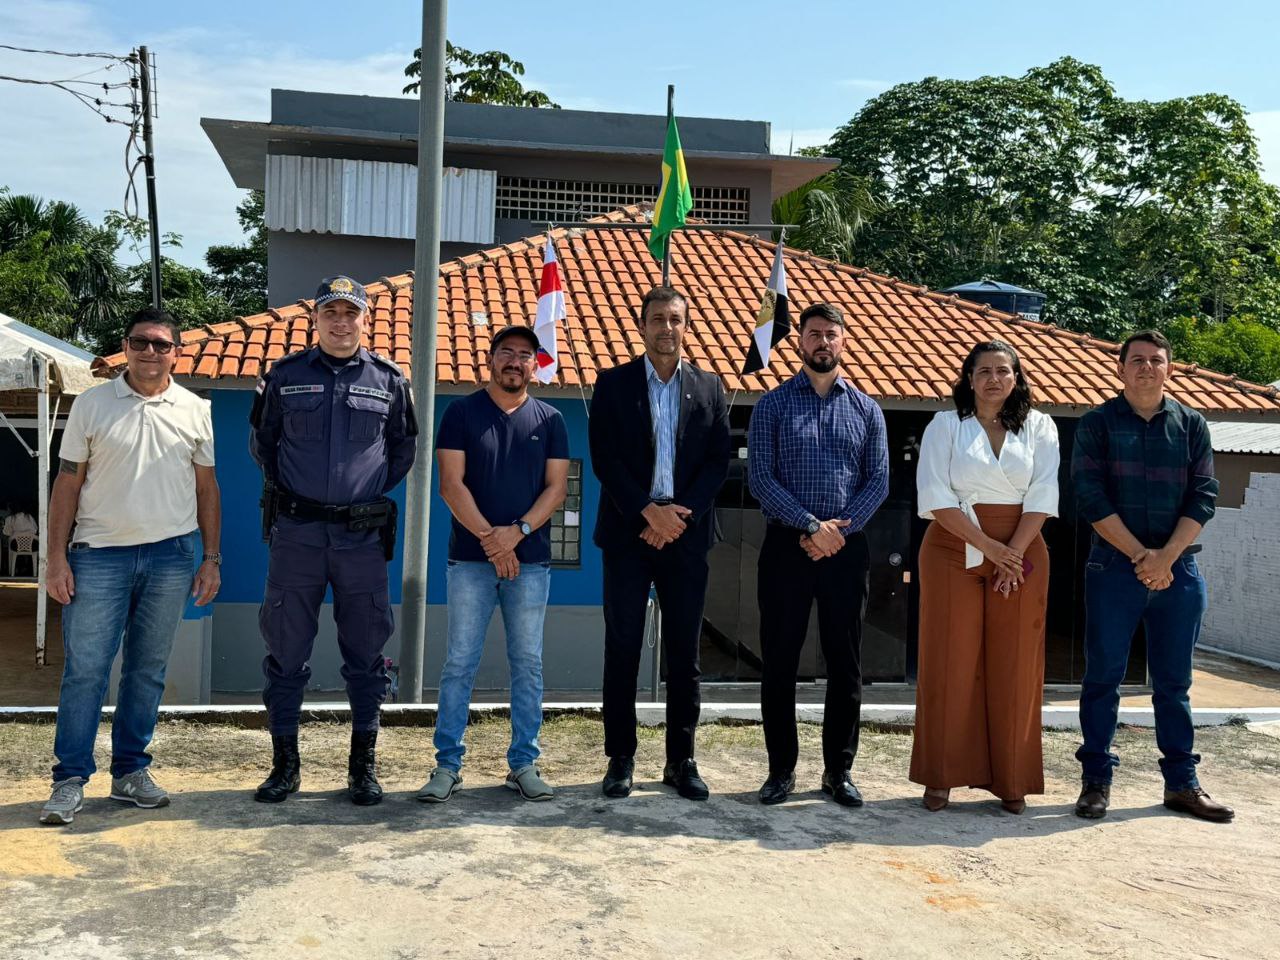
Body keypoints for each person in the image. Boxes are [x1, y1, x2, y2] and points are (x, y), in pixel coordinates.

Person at [39, 308, 221, 825]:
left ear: (176, 353)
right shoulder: (92, 405)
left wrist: (211, 559)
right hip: (98, 556)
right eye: (140, 342)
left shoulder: (195, 409)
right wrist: (56, 558)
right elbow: (67, 482)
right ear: (125, 347)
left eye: (161, 344)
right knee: (86, 671)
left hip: (170, 557)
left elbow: (206, 489)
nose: (150, 352)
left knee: (147, 670)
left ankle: (130, 772)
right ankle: (70, 778)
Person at [249, 276, 417, 806]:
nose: (341, 322)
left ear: (366, 319)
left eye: (350, 313)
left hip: (360, 538)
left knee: (367, 652)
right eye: (330, 313)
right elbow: (264, 445)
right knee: (285, 649)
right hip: (297, 534)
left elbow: (401, 452)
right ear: (315, 320)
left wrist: (359, 495)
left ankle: (362, 768)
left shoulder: (390, 380)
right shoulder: (284, 376)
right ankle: (285, 766)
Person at [1070, 330, 1232, 822]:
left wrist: (1166, 558)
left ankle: (1182, 785)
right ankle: (1096, 782)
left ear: (1169, 369)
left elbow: (1204, 495)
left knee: (1174, 683)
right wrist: (1144, 556)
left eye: (1155, 360)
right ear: (1120, 368)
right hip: (1112, 569)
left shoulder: (1192, 425)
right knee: (1103, 679)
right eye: (1136, 360)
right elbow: (1089, 497)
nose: (1146, 367)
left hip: (1179, 571)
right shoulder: (1096, 424)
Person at [588, 286, 730, 800]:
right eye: (657, 319)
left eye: (675, 319)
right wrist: (648, 512)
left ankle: (681, 760)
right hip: (629, 534)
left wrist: (676, 517)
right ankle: (620, 758)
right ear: (642, 325)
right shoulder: (613, 384)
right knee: (622, 647)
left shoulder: (710, 387)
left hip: (686, 537)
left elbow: (718, 461)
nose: (666, 328)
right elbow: (604, 458)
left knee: (684, 652)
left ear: (686, 326)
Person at [416, 325, 569, 803]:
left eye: (525, 354)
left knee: (528, 664)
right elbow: (450, 485)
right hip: (470, 561)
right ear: (490, 359)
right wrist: (492, 541)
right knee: (459, 663)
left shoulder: (551, 419)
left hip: (531, 564)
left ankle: (523, 764)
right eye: (507, 352)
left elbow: (556, 490)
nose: (515, 361)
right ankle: (447, 766)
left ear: (534, 365)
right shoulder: (461, 413)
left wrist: (516, 534)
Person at [747, 302, 888, 807]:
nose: (822, 342)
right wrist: (811, 526)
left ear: (844, 341)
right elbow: (760, 478)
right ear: (800, 341)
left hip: (846, 550)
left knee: (845, 662)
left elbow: (878, 481)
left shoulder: (868, 410)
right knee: (779, 662)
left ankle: (838, 770)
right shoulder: (772, 405)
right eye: (813, 334)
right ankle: (780, 770)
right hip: (787, 547)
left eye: (831, 334)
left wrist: (835, 534)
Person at [910, 340, 1059, 814]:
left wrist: (1011, 554)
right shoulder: (945, 425)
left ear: (1017, 377)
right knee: (950, 660)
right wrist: (991, 549)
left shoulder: (1040, 426)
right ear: (969, 379)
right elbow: (935, 495)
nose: (994, 379)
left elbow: (1043, 493)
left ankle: (1013, 777)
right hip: (953, 546)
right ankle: (940, 776)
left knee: (1016, 663)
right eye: (984, 371)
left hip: (1023, 546)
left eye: (1003, 370)